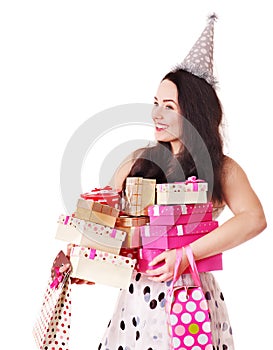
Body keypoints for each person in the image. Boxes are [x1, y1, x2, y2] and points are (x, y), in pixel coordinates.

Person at [96, 15, 266, 350]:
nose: (156, 114)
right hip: (138, 302)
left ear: (195, 112)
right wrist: (79, 258)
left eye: (169, 106)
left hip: (192, 299)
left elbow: (254, 219)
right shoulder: (136, 161)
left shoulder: (222, 169)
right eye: (156, 104)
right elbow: (105, 224)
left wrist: (186, 254)